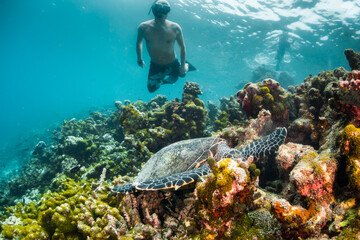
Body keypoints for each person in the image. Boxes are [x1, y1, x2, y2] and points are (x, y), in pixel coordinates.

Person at [136, 0, 189, 93]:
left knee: (182, 74)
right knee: (151, 89)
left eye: (165, 9)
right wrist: (139, 59)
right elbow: (139, 43)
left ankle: (186, 65)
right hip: (155, 64)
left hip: (173, 62)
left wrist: (182, 65)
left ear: (168, 12)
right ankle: (163, 77)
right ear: (153, 8)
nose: (161, 12)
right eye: (158, 8)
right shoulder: (143, 27)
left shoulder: (175, 27)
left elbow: (182, 47)